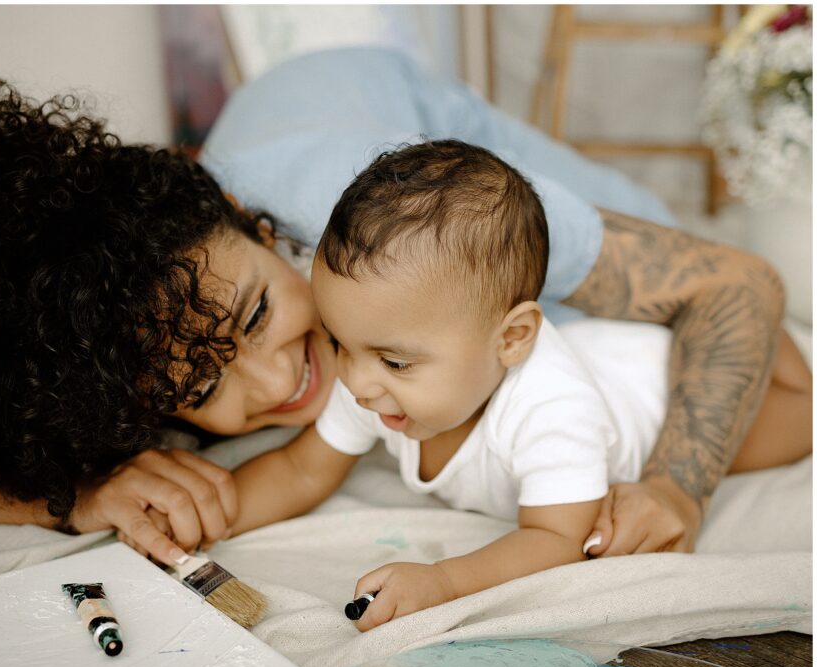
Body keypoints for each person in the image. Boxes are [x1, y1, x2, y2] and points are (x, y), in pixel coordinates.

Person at [0, 49, 809, 564]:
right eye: (198, 383)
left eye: (252, 318)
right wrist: (72, 491)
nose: (282, 382)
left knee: (769, 393)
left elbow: (736, 283)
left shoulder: (389, 219)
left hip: (431, 168)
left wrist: (678, 483)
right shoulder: (120, 333)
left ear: (251, 218)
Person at [218, 139, 811, 630]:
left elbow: (556, 538)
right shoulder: (372, 374)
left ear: (512, 339)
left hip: (659, 389)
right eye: (339, 343)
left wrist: (443, 581)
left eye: (394, 363)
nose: (357, 383)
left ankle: (785, 342)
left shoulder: (550, 406)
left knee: (801, 419)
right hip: (605, 356)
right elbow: (301, 470)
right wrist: (213, 511)